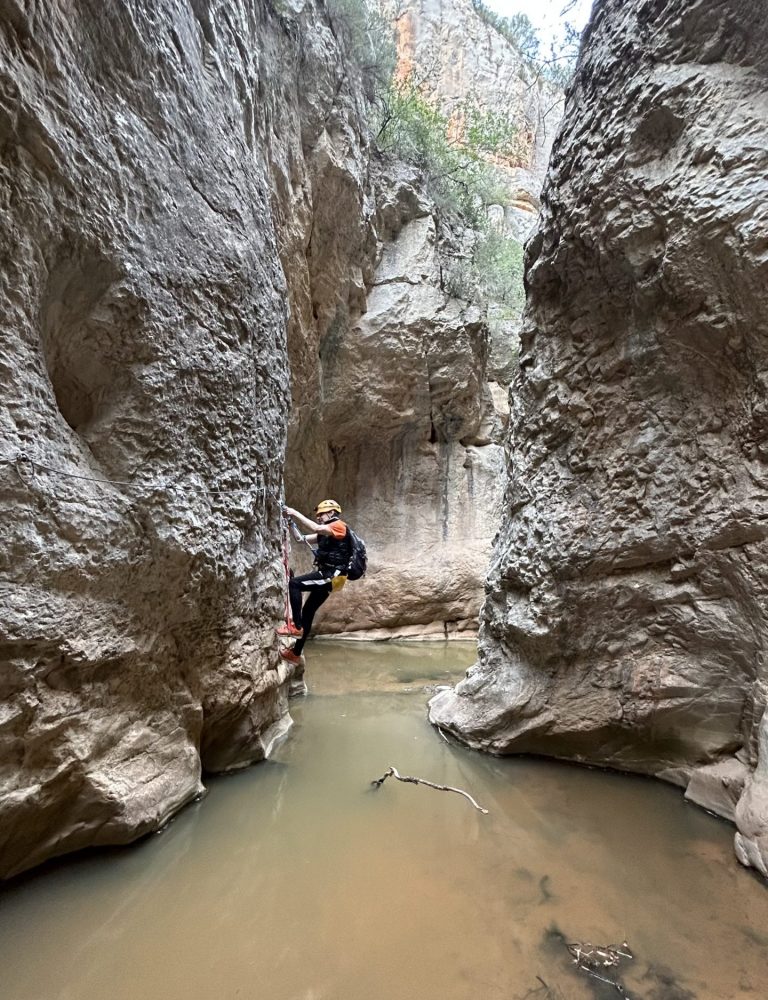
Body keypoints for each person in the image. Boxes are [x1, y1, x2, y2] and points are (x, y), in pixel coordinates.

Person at [278, 500, 350, 663]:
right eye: (317, 515)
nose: (318, 517)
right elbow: (300, 539)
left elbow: (317, 528)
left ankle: (296, 626)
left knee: (294, 584)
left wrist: (294, 512)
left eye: (321, 514)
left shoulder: (339, 526)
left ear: (331, 513)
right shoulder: (325, 534)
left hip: (331, 575)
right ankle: (295, 653)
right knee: (308, 612)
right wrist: (290, 523)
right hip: (331, 576)